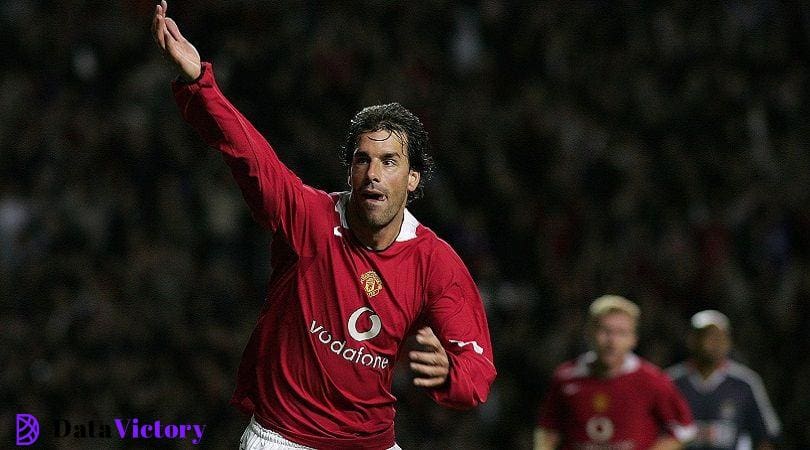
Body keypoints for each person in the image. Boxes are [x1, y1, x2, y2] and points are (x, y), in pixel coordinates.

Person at [151, 2, 496, 449]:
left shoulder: (434, 261)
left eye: (389, 162)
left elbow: (477, 366)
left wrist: (452, 375)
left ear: (412, 179)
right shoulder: (310, 218)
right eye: (362, 160)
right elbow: (249, 155)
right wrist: (200, 83)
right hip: (282, 439)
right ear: (349, 170)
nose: (373, 173)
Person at [534, 295, 696, 450]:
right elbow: (548, 429)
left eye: (621, 333)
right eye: (605, 331)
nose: (612, 341)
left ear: (633, 339)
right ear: (589, 332)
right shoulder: (565, 377)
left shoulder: (652, 380)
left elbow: (684, 431)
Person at [666, 310, 781, 450]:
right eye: (709, 336)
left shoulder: (744, 382)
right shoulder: (671, 382)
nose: (716, 343)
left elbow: (765, 435)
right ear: (692, 340)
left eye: (721, 337)